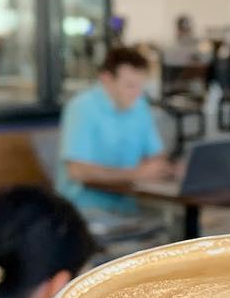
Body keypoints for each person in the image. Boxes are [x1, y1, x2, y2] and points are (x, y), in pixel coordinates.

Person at [58, 46, 173, 218]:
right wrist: (136, 173)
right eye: (130, 86)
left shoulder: (139, 104)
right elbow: (78, 171)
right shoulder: (82, 108)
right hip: (83, 211)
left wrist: (162, 167)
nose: (137, 93)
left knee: (176, 231)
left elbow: (156, 155)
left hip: (128, 206)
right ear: (106, 79)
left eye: (141, 86)